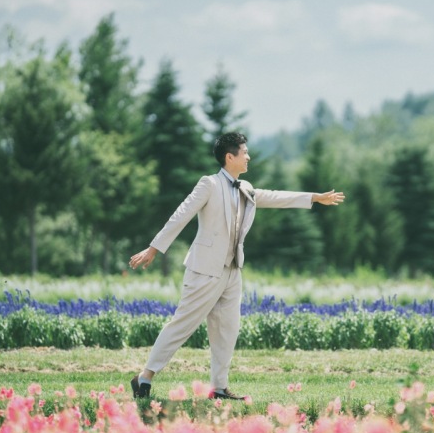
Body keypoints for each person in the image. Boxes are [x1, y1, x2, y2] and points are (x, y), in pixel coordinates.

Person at [128, 132, 344, 400]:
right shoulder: (209, 184)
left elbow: (274, 196)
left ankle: (218, 388)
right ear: (230, 157)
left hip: (232, 272)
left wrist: (314, 197)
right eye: (244, 152)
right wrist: (154, 248)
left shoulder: (245, 187)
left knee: (227, 330)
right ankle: (144, 377)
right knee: (182, 325)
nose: (248, 156)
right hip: (204, 271)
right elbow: (182, 213)